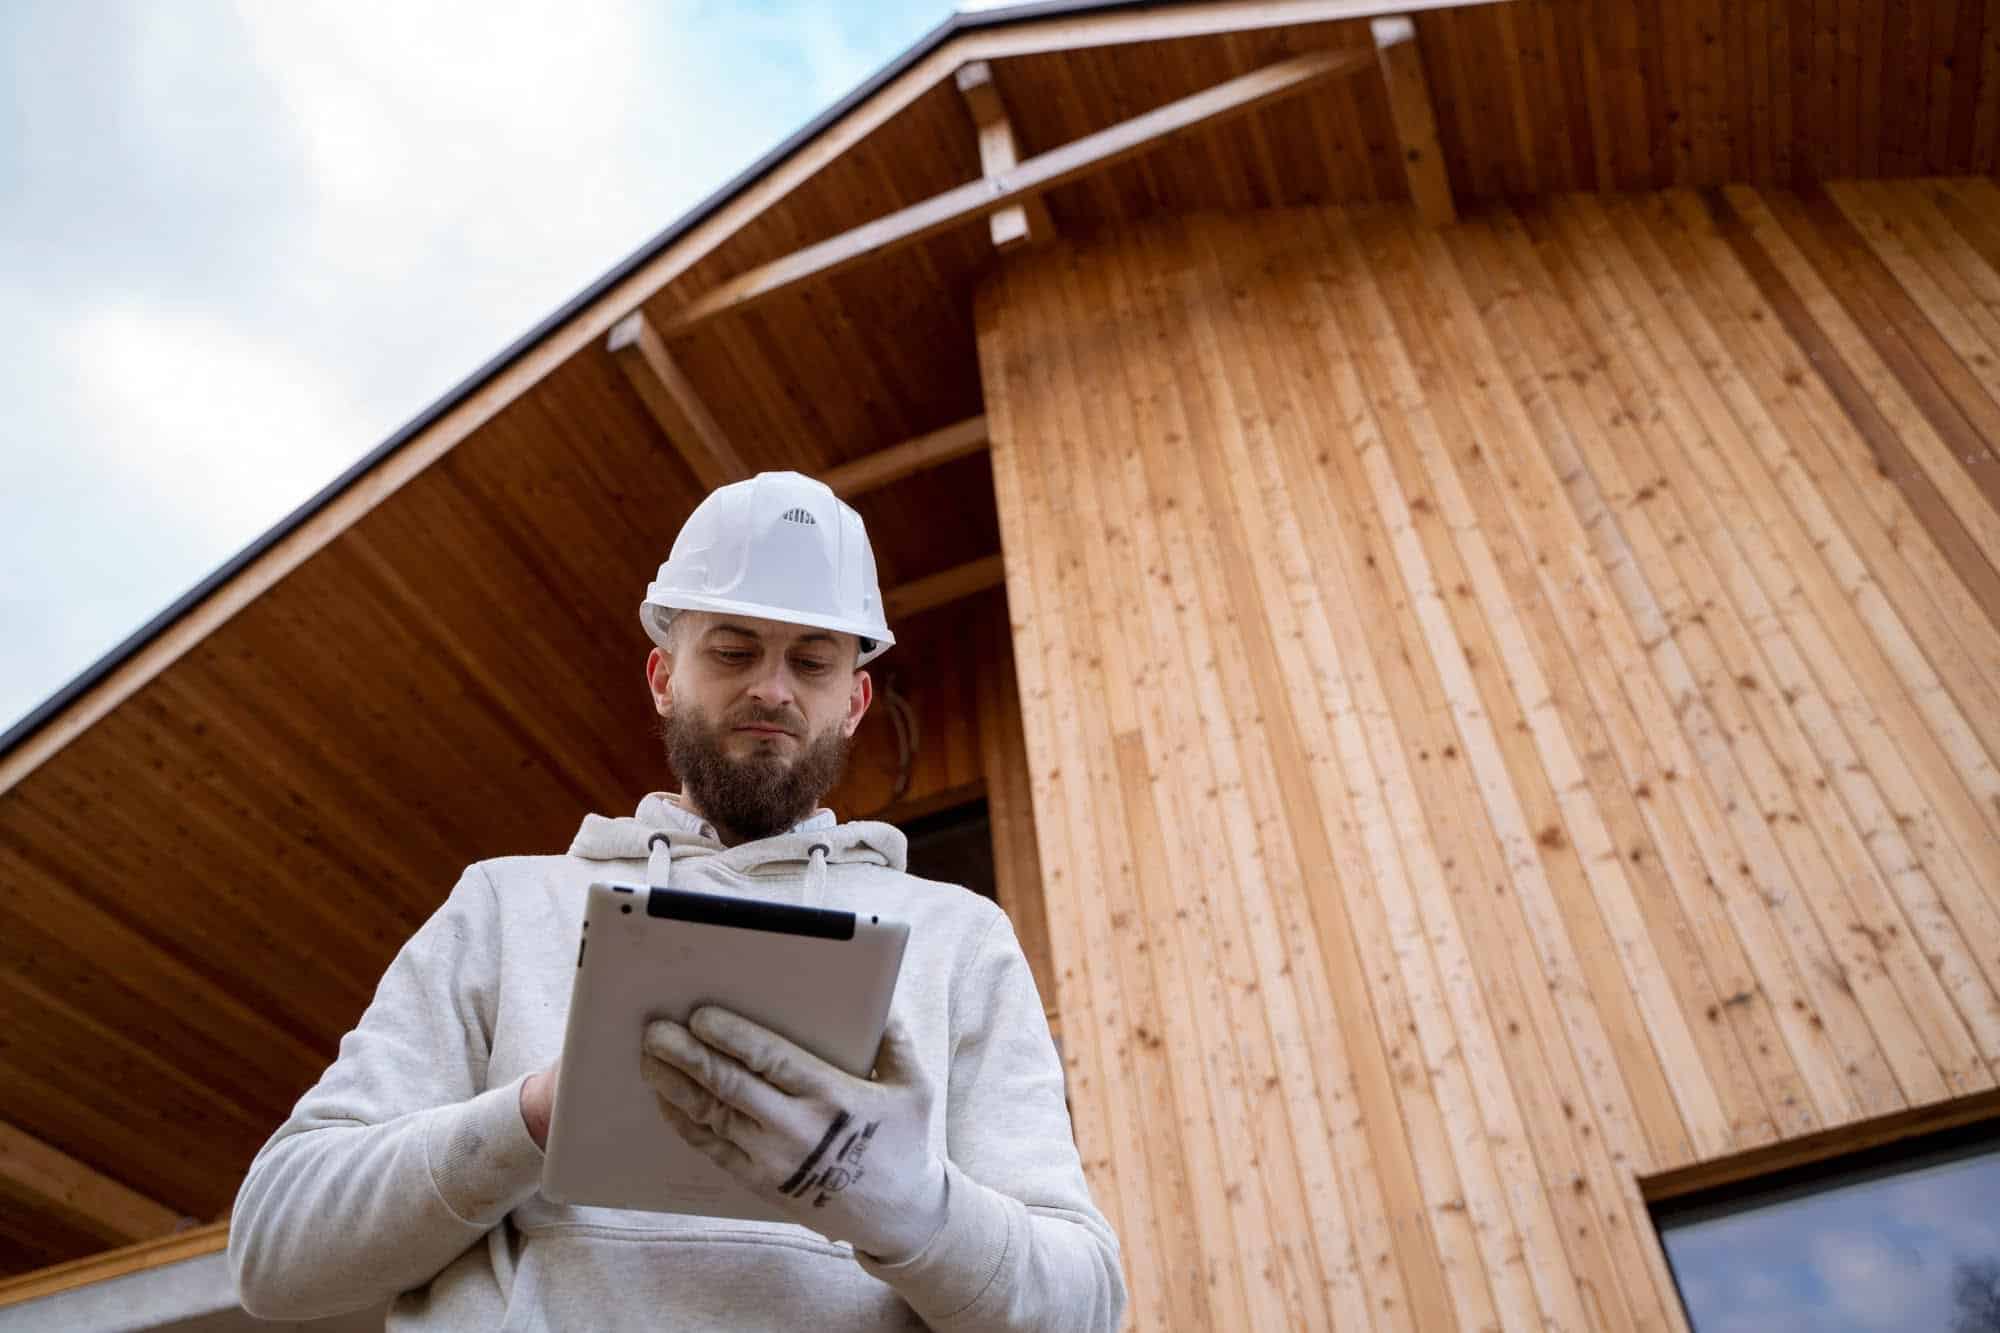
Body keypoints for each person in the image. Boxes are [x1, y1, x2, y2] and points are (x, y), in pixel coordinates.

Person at [227, 471, 1126, 1330]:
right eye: (733, 648)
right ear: (663, 677)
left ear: (854, 701)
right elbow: (275, 1247)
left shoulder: (957, 940)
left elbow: (1084, 1307)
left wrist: (918, 1211)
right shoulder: (509, 907)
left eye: (810, 661)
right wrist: (535, 1115)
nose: (771, 687)